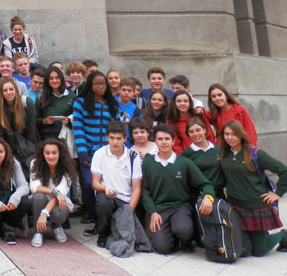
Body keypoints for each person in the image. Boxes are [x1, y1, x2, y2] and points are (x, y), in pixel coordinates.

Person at [220, 120, 287, 256]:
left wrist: (278, 193)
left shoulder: (255, 154)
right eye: (226, 134)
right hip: (235, 207)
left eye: (234, 134)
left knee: (259, 251)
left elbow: (285, 171)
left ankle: (283, 234)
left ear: (241, 135)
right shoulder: (224, 154)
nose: (230, 138)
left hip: (256, 207)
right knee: (244, 250)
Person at [141, 124, 215, 254]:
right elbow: (144, 191)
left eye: (167, 139)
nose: (164, 142)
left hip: (180, 207)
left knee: (183, 230)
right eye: (160, 139)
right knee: (162, 248)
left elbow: (205, 184)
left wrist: (208, 197)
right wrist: (152, 212)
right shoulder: (148, 163)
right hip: (159, 209)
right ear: (155, 141)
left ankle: (184, 238)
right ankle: (172, 238)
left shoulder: (184, 163)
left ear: (173, 141)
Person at [72, 70, 120, 235]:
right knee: (88, 183)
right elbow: (78, 128)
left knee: (105, 184)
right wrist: (82, 151)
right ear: (90, 85)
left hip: (108, 152)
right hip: (88, 151)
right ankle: (92, 216)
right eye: (97, 84)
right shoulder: (80, 102)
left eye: (103, 84)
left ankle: (104, 218)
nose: (101, 87)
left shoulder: (111, 103)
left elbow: (117, 127)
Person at [91, 122, 143, 250]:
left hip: (126, 199)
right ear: (106, 137)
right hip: (107, 194)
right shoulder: (99, 154)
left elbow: (137, 188)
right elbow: (95, 183)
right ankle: (103, 233)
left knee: (129, 236)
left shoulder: (133, 156)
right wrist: (105, 189)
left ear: (125, 139)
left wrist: (129, 211)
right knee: (103, 202)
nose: (115, 142)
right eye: (112, 138)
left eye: (119, 138)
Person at [29, 139, 76, 247]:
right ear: (42, 154)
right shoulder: (35, 163)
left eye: (54, 153)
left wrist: (44, 213)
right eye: (47, 153)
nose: (51, 156)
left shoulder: (67, 166)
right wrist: (54, 191)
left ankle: (56, 226)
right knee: (38, 196)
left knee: (58, 212)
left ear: (60, 153)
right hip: (41, 199)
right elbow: (34, 187)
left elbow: (61, 193)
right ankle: (38, 232)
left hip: (59, 202)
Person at [0, 77, 37, 172]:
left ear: (16, 90)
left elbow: (31, 132)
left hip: (27, 145)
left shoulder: (26, 103)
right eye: (5, 90)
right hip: (9, 146)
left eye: (11, 89)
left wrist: (29, 151)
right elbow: (0, 135)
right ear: (1, 93)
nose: (8, 92)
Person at [180, 117, 225, 198]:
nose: (195, 134)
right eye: (191, 132)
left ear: (204, 130)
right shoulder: (186, 154)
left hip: (219, 195)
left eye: (198, 130)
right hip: (198, 197)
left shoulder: (218, 150)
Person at [165, 90, 214, 155]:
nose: (182, 103)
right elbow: (175, 144)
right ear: (174, 103)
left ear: (190, 102)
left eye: (185, 101)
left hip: (206, 153)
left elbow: (209, 134)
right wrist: (183, 157)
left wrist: (211, 152)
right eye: (179, 101)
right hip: (186, 155)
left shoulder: (199, 115)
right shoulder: (171, 121)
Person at [35, 66, 75, 140]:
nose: (54, 81)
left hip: (67, 138)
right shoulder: (40, 98)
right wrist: (45, 121)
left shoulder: (72, 96)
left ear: (61, 79)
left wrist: (68, 121)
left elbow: (77, 117)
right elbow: (35, 120)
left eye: (57, 78)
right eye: (51, 78)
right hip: (47, 138)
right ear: (47, 81)